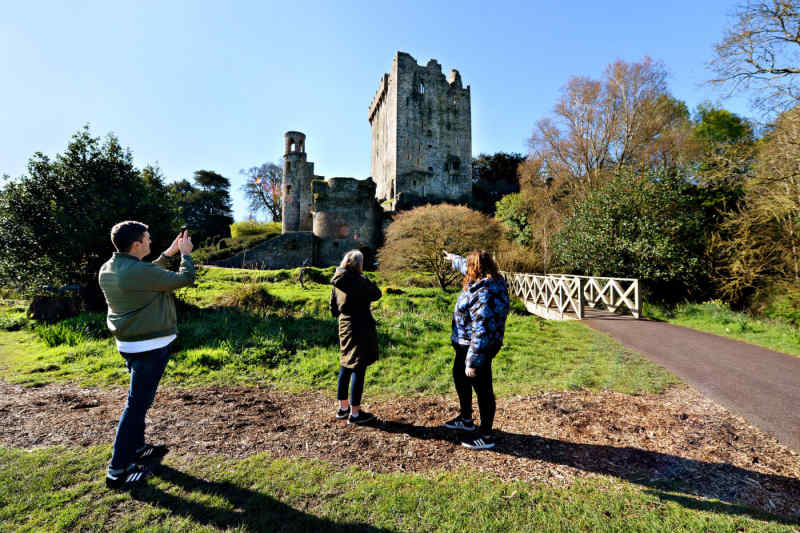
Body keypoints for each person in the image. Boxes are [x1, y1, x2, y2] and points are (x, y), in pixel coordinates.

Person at [99, 221, 195, 488]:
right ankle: (117, 471)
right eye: (147, 238)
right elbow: (185, 279)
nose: (150, 242)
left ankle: (138, 448)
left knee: (139, 401)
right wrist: (186, 254)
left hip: (130, 345)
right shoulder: (134, 272)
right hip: (149, 348)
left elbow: (147, 273)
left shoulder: (111, 267)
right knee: (136, 406)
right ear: (137, 244)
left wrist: (169, 254)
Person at [441, 249, 509, 450]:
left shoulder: (485, 292)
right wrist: (454, 259)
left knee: (483, 389)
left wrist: (473, 361)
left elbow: (482, 330)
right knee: (459, 378)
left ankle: (487, 435)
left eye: (469, 266)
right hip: (465, 344)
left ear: (476, 268)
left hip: (477, 347)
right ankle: (466, 419)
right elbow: (465, 266)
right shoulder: (487, 281)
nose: (466, 269)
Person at [330, 250, 382, 425]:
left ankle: (343, 408)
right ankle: (355, 413)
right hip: (360, 324)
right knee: (359, 367)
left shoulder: (337, 280)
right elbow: (376, 293)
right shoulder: (359, 281)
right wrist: (366, 278)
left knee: (345, 364)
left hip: (344, 323)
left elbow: (333, 307)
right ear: (359, 264)